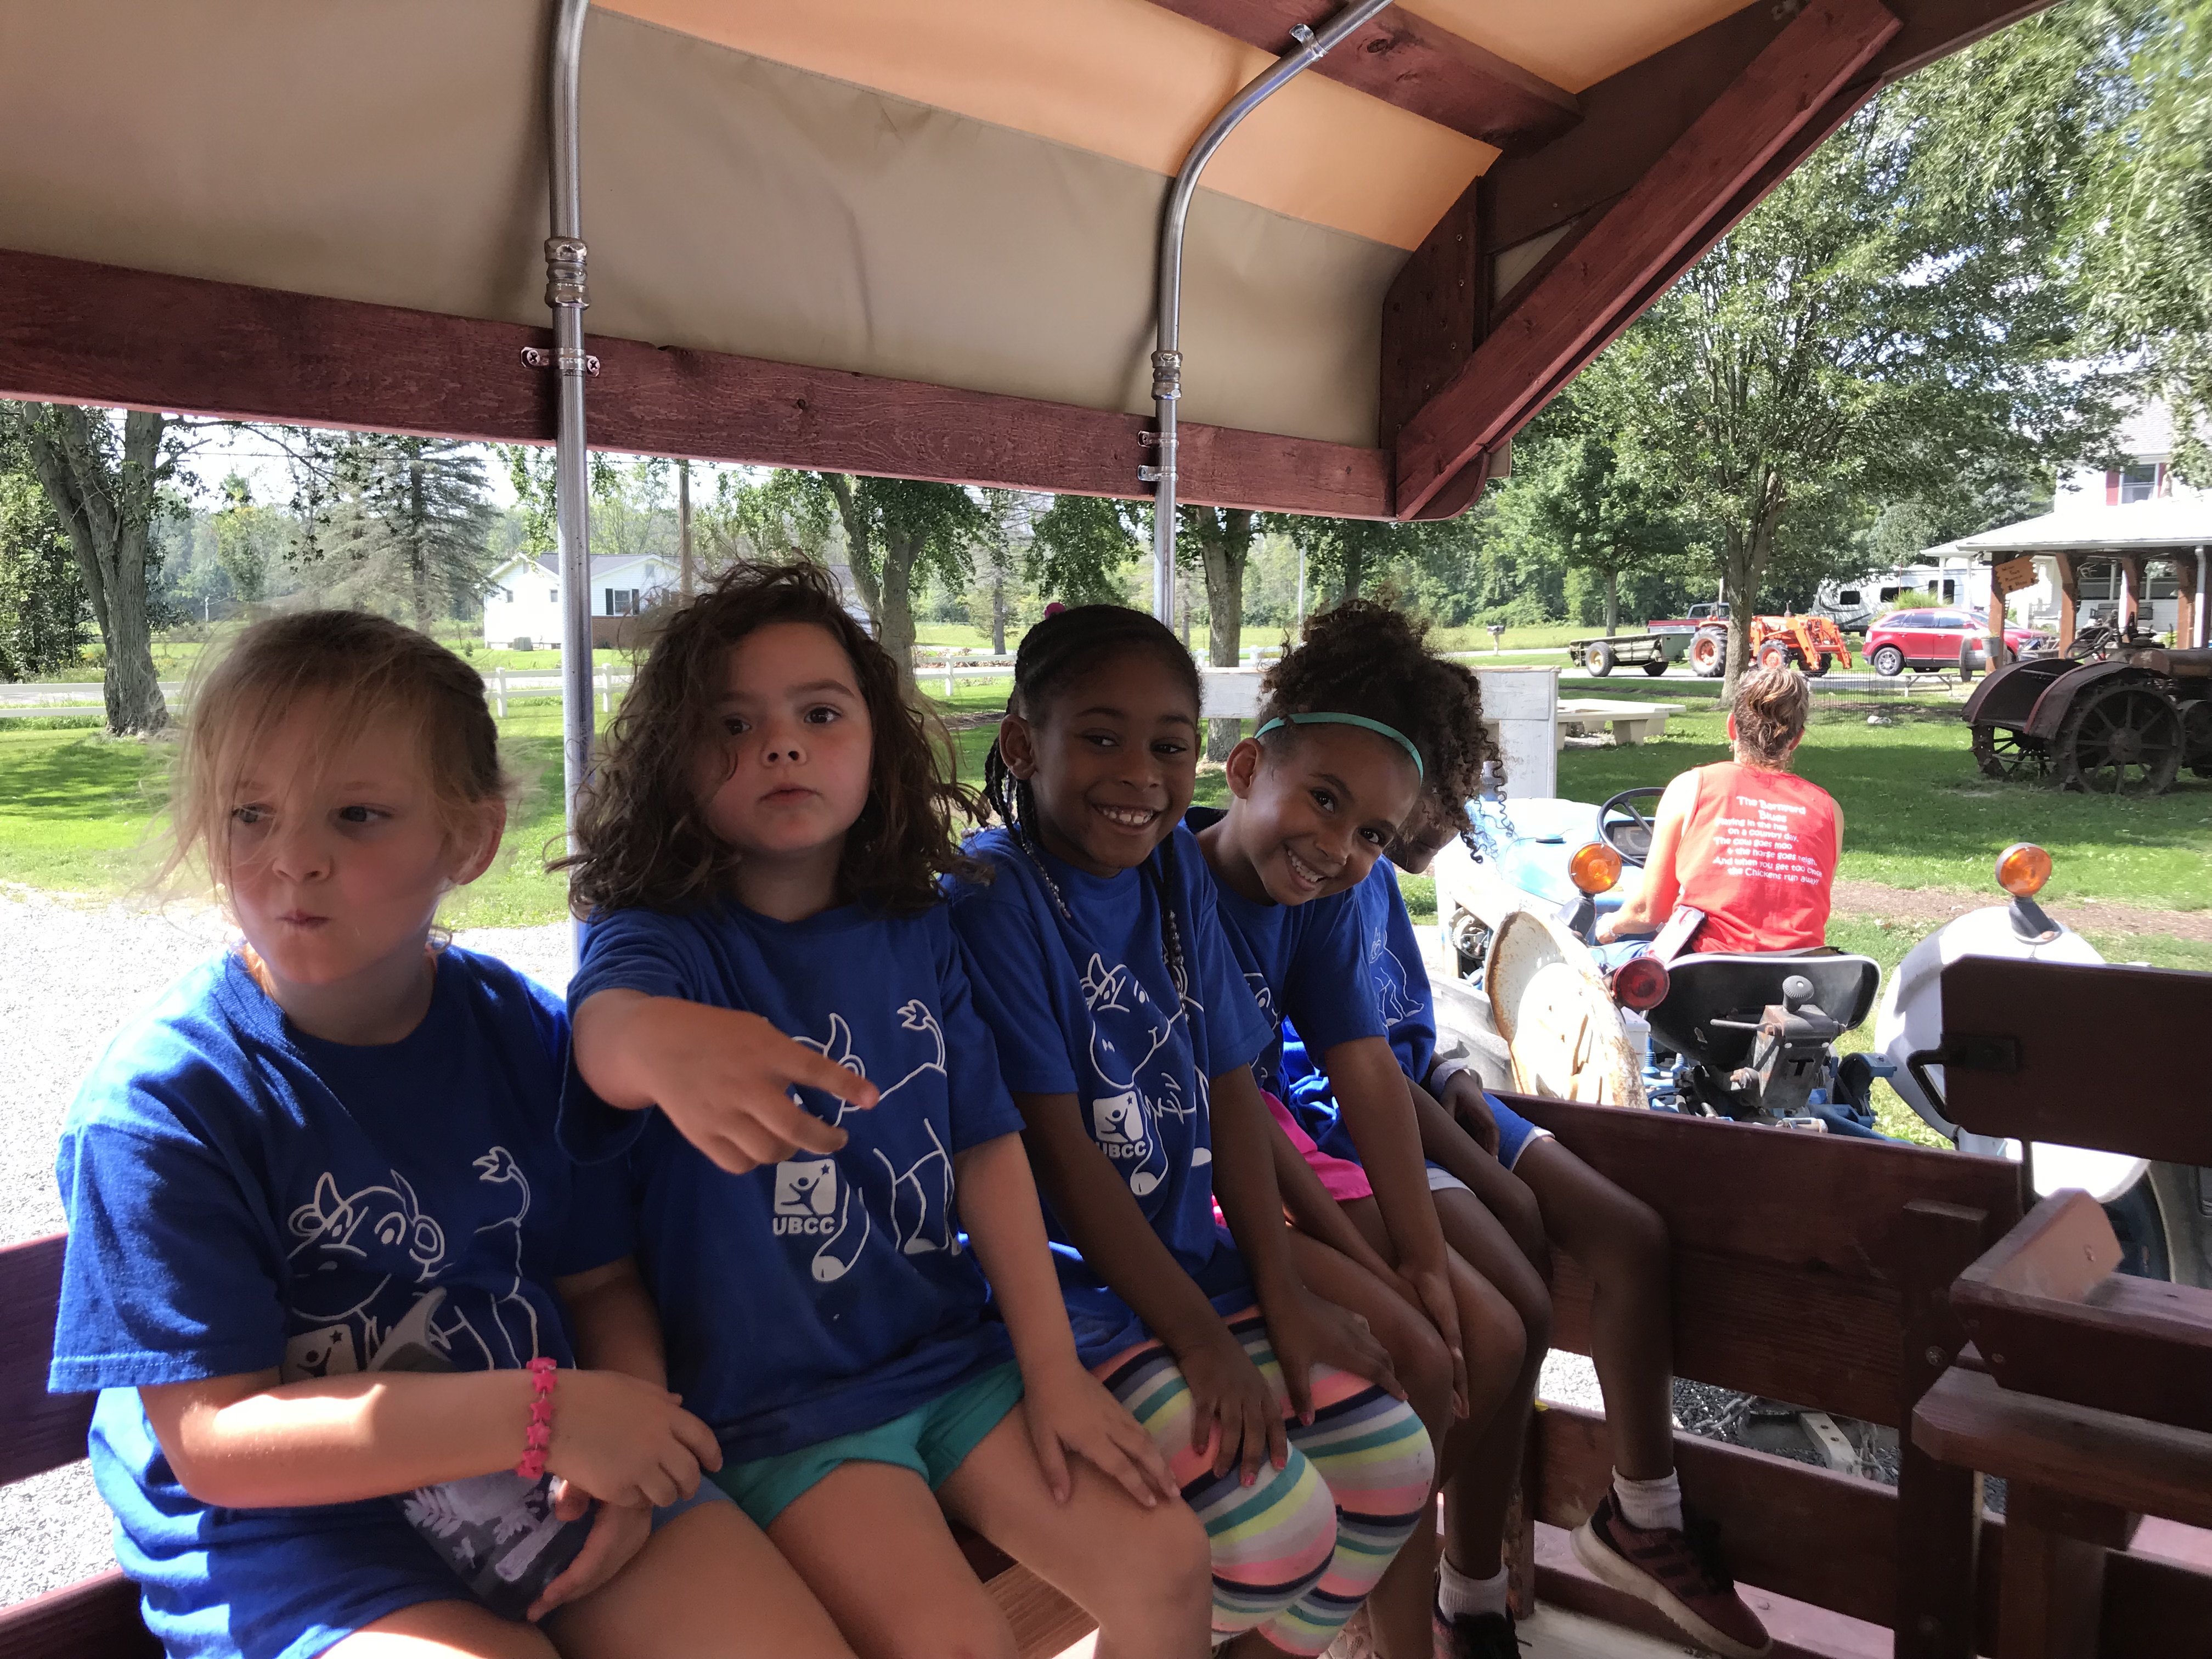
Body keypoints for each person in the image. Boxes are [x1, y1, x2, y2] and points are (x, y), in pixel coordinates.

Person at [49, 611, 850, 1659]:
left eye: (357, 814)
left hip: (544, 1476)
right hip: (298, 1538)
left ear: (468, 838)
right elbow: (214, 1440)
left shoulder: (520, 1032)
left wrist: (626, 1440)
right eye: (251, 813)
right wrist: (549, 1413)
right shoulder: (166, 1104)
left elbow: (601, 1280)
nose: (294, 858)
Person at [561, 563, 1210, 1659]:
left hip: (948, 1356)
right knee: (962, 1643)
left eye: (820, 714)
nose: (782, 745)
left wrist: (1051, 1366)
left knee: (1170, 1563)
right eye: (734, 723)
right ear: (676, 755)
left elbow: (988, 1147)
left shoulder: (916, 927)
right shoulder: (662, 939)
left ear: (878, 744)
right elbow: (607, 1029)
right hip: (782, 1406)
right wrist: (659, 1045)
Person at [946, 604, 1436, 1658]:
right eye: (1101, 737)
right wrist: (1206, 1341)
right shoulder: (993, 895)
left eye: (1168, 745)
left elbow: (1230, 1089)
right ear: (1023, 743)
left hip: (1188, 1268)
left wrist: (1281, 1291)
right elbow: (1061, 1161)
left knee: (1393, 1464)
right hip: (1062, 1299)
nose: (1140, 774)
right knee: (1270, 1534)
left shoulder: (1171, 868)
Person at [1184, 604, 1537, 1659]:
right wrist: (1378, 1264)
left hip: (1263, 1165)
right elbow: (1228, 1115)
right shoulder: (1167, 887)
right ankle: (1354, 1624)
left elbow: (1367, 1067)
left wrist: (1420, 1260)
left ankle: (1385, 1609)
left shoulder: (1328, 891)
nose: (1339, 847)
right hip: (1194, 1185)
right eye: (1325, 800)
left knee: (1484, 1331)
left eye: (1372, 832)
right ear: (1248, 766)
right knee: (1420, 1357)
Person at [1598, 665, 1842, 956]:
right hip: (1802, 973)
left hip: (1704, 970)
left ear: (1731, 726)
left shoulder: (1690, 788)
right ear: (1797, 739)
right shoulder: (1829, 809)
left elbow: (1648, 911)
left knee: (1596, 960)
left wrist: (1610, 926)